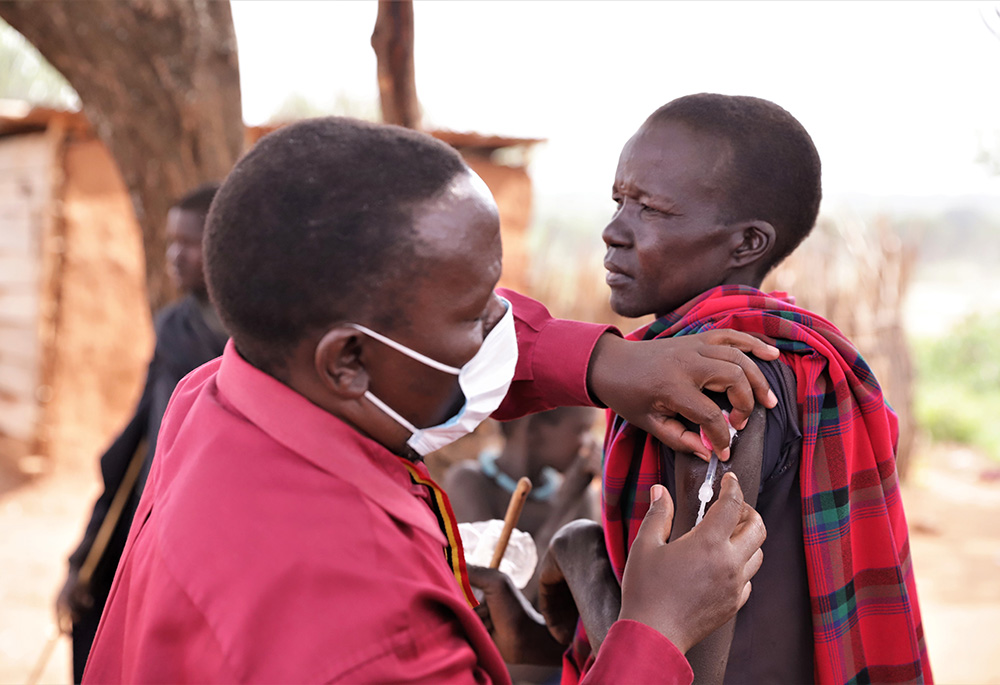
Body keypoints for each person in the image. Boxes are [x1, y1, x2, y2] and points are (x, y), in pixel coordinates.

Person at [82, 117, 775, 683]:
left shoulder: (215, 398)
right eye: (475, 313)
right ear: (348, 359)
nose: (498, 329)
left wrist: (605, 363)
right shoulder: (368, 631)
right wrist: (656, 629)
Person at [547, 94, 931, 685]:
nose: (613, 231)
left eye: (649, 209)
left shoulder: (719, 380)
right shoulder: (781, 352)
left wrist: (578, 553)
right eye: (619, 200)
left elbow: (683, 652)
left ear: (747, 243)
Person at [56, 183, 229, 682]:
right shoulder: (173, 328)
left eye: (189, 243)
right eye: (170, 241)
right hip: (152, 516)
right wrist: (87, 556)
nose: (174, 256)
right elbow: (136, 445)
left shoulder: (259, 342)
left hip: (209, 535)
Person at [445, 407, 600, 593]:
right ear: (533, 428)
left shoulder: (580, 495)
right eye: (581, 430)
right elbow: (501, 602)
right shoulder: (469, 483)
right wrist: (566, 503)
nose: (589, 444)